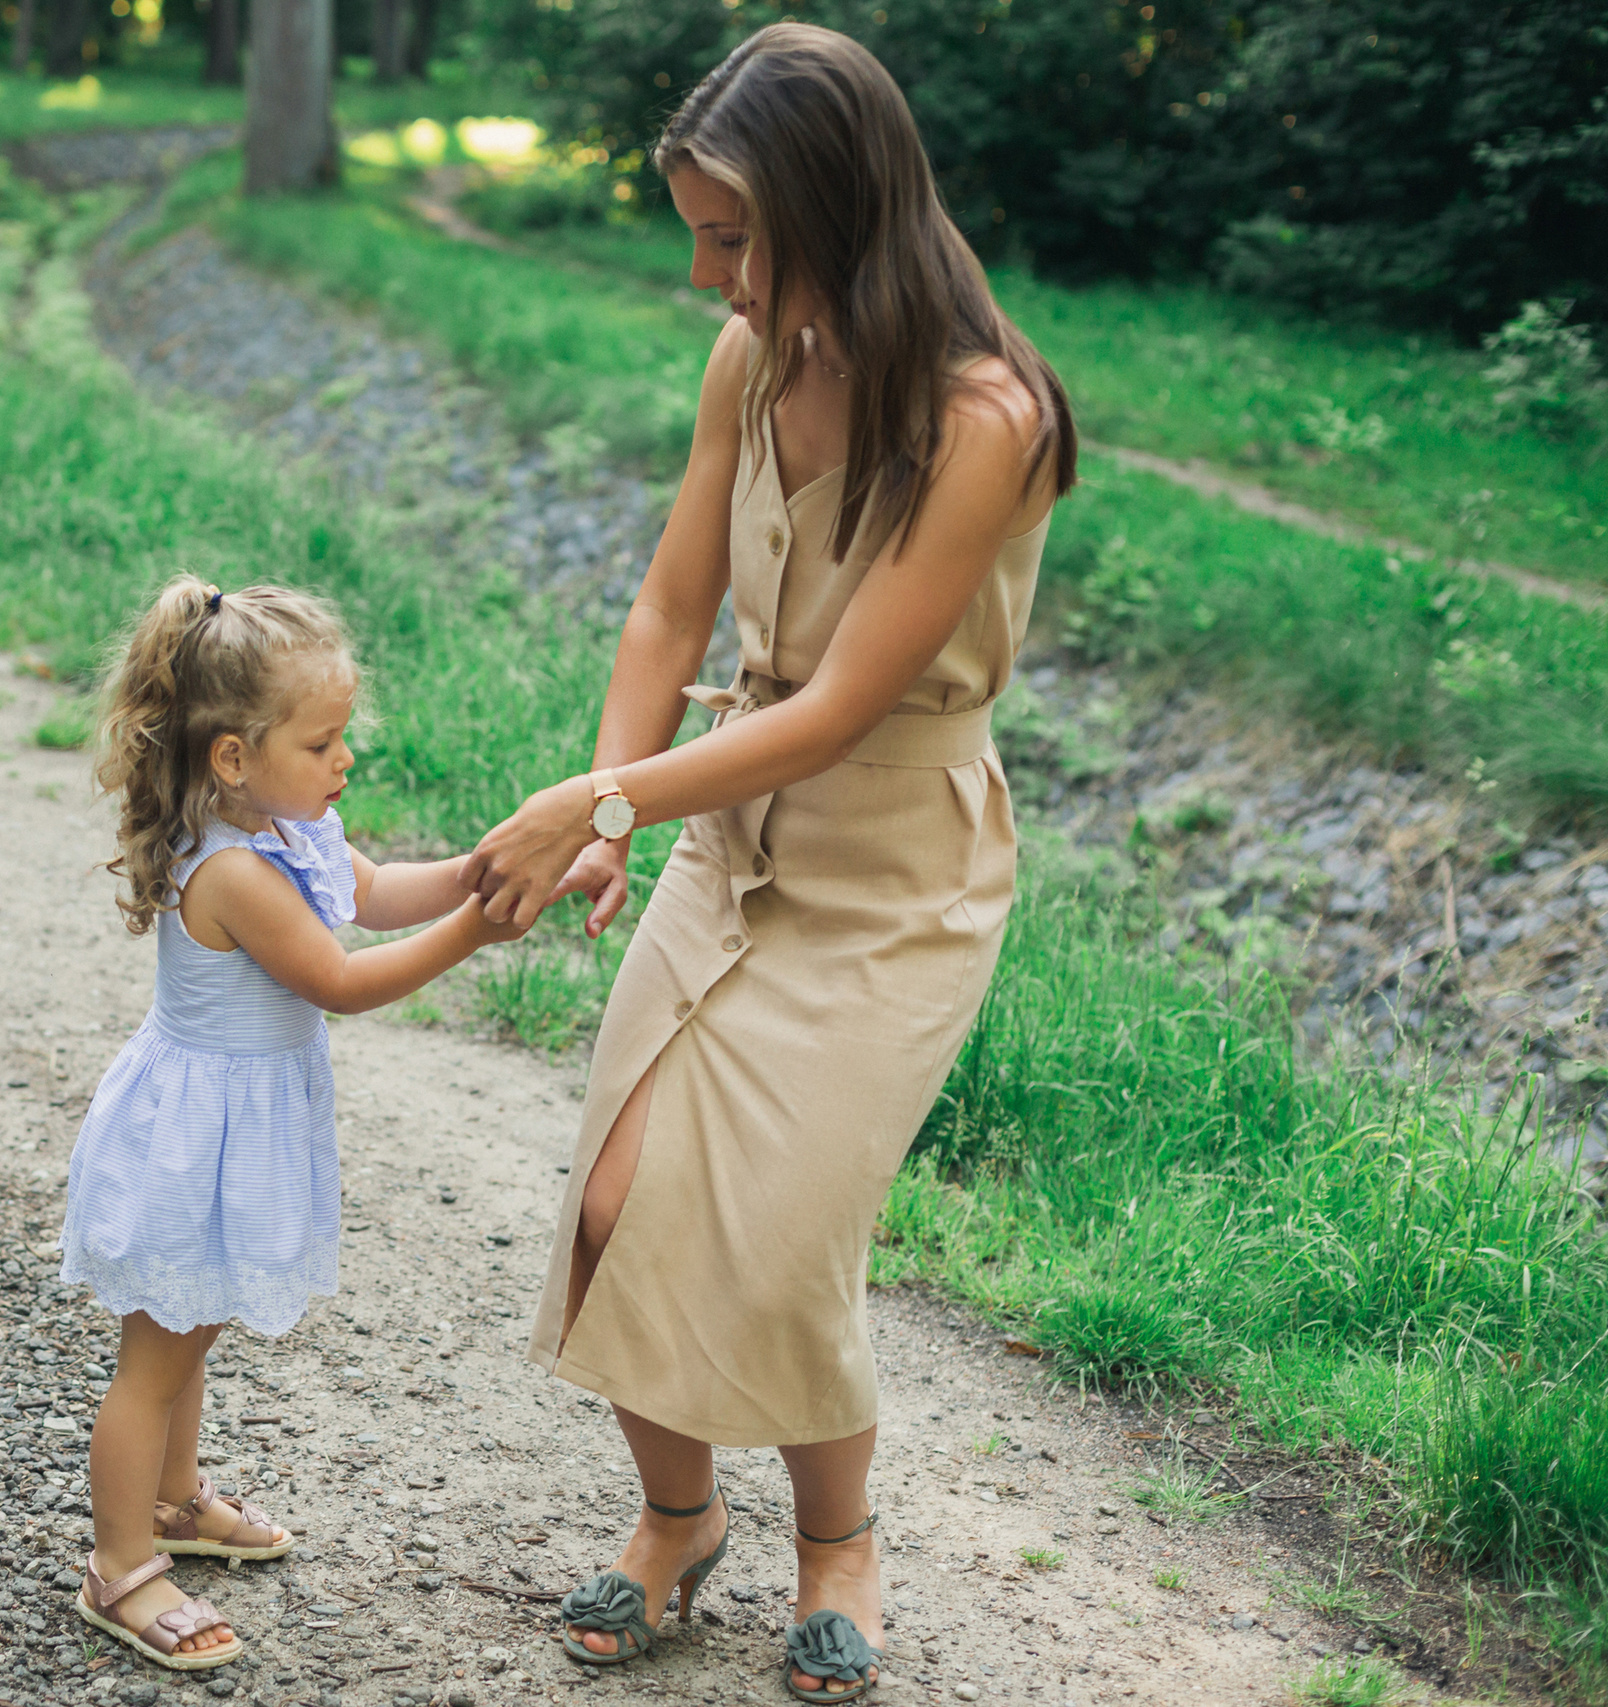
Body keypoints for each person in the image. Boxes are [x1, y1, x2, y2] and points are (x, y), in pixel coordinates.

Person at [462, 25, 1077, 1705]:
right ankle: (678, 1521)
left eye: (731, 235)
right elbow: (672, 606)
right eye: (696, 231)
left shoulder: (986, 415)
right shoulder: (748, 364)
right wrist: (619, 783)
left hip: (896, 872)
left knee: (790, 1235)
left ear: (834, 206)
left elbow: (843, 707)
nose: (703, 270)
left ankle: (839, 1546)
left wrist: (606, 808)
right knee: (609, 1201)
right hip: (728, 826)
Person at [57, 577, 524, 1670]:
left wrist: (475, 873)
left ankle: (176, 1501)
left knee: (194, 1327)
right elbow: (340, 981)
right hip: (192, 1142)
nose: (344, 760)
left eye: (343, 738)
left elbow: (373, 892)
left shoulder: (289, 824)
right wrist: (476, 933)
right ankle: (120, 1566)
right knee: (154, 1360)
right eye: (322, 743)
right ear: (233, 756)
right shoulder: (230, 868)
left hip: (232, 1130)